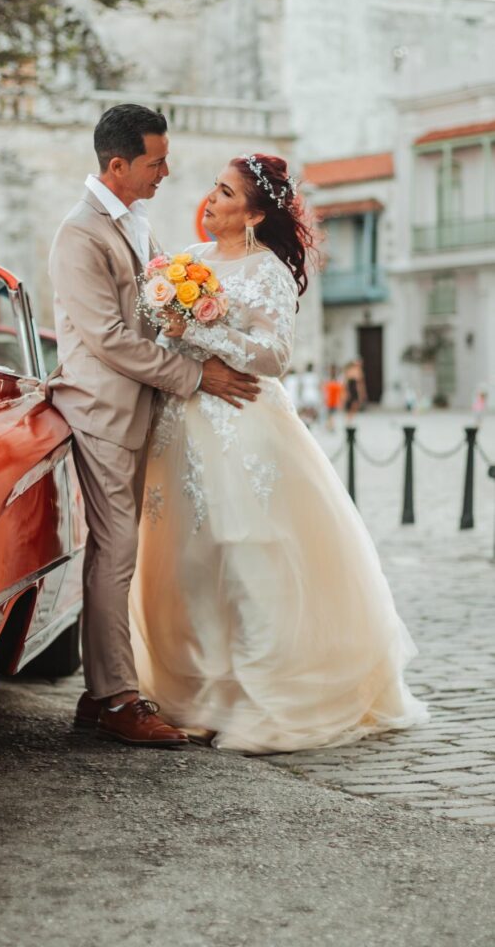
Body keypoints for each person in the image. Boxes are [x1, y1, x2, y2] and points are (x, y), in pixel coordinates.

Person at [129, 153, 428, 753]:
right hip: (178, 427)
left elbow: (274, 356)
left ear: (254, 214)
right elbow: (161, 336)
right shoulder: (186, 260)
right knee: (184, 562)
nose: (211, 199)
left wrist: (201, 329)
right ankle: (195, 698)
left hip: (243, 426)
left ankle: (261, 700)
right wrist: (174, 329)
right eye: (214, 188)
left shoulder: (268, 271)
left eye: (226, 192)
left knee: (245, 555)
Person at [48, 104, 259, 749]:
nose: (166, 173)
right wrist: (197, 376)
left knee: (124, 553)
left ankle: (101, 695)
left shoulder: (135, 220)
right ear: (118, 165)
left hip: (142, 409)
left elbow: (160, 305)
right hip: (104, 412)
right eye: (156, 162)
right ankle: (115, 699)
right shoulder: (80, 235)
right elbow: (110, 339)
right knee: (115, 554)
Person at [299, 362, 321, 427]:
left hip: (306, 393)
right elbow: (317, 386)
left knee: (306, 409)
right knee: (312, 409)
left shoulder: (304, 376)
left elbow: (302, 386)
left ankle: (307, 420)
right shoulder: (315, 376)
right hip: (313, 394)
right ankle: (310, 421)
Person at [323, 364, 344, 431]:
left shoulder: (333, 381)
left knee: (331, 414)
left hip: (332, 400)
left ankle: (330, 425)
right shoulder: (334, 382)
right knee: (330, 414)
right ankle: (330, 425)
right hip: (332, 400)